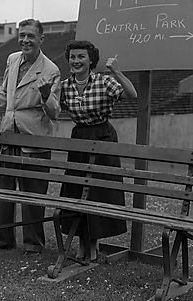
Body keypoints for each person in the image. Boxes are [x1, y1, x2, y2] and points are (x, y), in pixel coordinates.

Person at [0, 18, 61, 255]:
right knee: (4, 191)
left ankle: (33, 244)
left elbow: (55, 112)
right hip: (9, 133)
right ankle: (3, 240)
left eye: (31, 36)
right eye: (22, 35)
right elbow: (5, 93)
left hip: (34, 138)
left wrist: (46, 95)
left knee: (33, 194)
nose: (25, 40)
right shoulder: (13, 59)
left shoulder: (51, 69)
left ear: (41, 39)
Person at [59, 40, 137, 261]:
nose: (76, 61)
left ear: (91, 60)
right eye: (73, 57)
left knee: (98, 192)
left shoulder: (104, 81)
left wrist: (116, 71)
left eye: (81, 57)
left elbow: (132, 94)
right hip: (80, 138)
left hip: (102, 137)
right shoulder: (65, 86)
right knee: (77, 191)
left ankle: (93, 246)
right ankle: (83, 244)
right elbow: (54, 109)